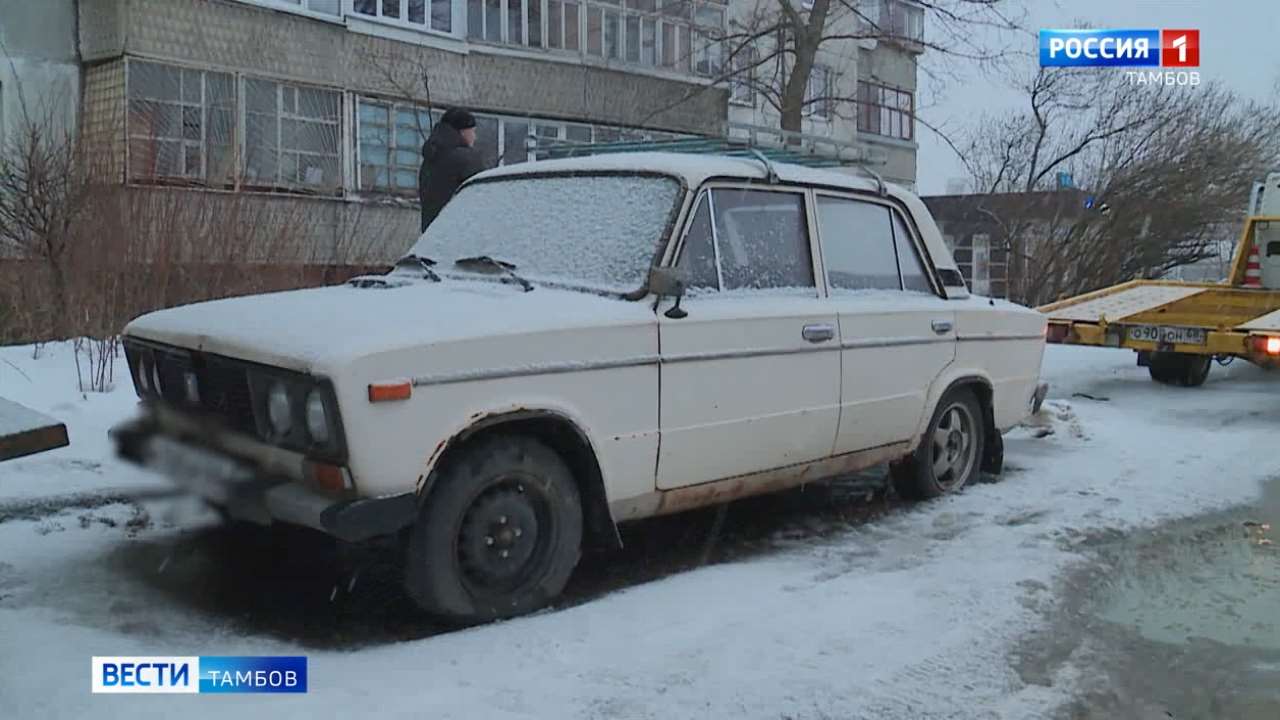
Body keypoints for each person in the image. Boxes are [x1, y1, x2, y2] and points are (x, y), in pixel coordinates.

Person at [419, 108, 487, 232]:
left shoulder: (430, 160)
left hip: (431, 237)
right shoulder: (466, 159)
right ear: (463, 131)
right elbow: (484, 200)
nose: (475, 137)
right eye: (473, 131)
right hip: (462, 235)